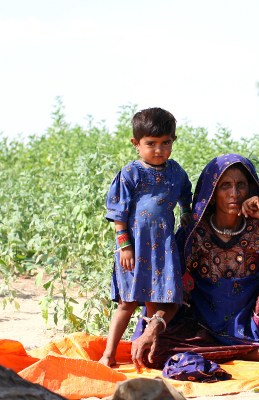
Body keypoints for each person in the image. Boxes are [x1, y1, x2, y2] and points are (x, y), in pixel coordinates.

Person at [129, 154, 259, 372]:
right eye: (225, 186)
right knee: (153, 351)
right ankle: (247, 351)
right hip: (204, 327)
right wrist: (154, 327)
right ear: (212, 192)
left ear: (250, 189)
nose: (234, 193)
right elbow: (174, 291)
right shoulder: (194, 235)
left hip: (255, 322)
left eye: (241, 185)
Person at [100, 108, 193, 367]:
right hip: (134, 249)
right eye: (151, 144)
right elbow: (118, 213)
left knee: (155, 300)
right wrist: (124, 247)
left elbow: (186, 193)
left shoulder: (176, 172)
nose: (159, 150)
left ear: (173, 141)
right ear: (136, 143)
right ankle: (108, 354)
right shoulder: (131, 173)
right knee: (127, 302)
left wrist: (186, 212)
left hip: (163, 249)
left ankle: (146, 355)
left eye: (166, 143)